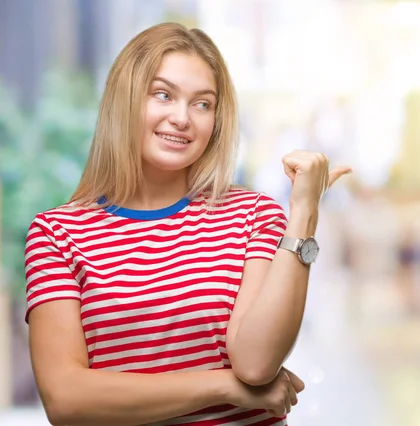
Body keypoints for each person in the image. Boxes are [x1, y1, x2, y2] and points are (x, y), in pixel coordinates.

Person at [24, 22, 351, 426]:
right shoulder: (57, 233)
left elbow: (255, 364)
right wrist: (221, 387)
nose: (182, 118)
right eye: (163, 94)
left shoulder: (252, 214)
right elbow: (66, 399)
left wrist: (304, 214)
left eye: (202, 104)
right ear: (125, 100)